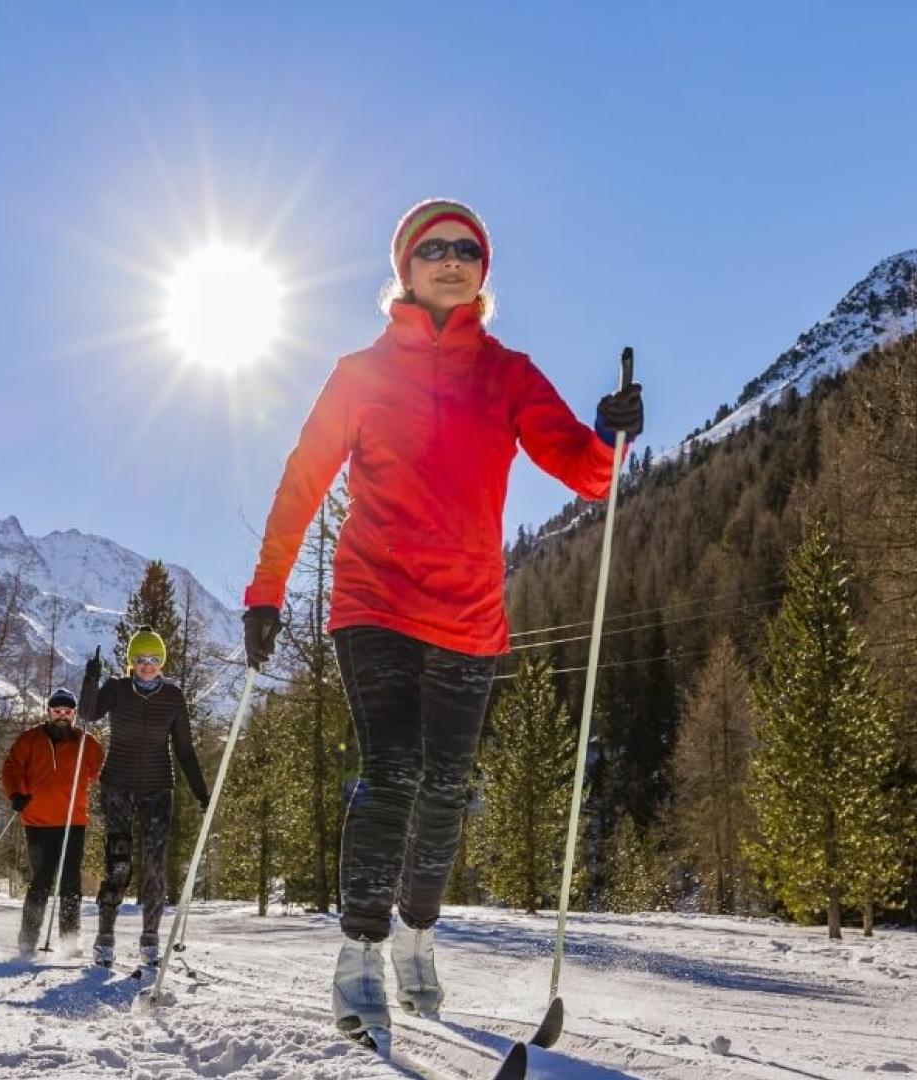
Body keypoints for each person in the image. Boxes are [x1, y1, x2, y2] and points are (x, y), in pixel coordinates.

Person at [240, 198, 642, 1051]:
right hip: (375, 601)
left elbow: (585, 471)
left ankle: (418, 931)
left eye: (467, 250)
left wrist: (610, 437)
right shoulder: (359, 373)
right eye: (434, 249)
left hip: (468, 616)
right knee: (393, 769)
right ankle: (358, 955)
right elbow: (303, 479)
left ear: (482, 272)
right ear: (405, 267)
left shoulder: (507, 373)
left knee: (448, 791)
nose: (452, 260)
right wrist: (266, 590)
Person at [79, 630, 210, 971]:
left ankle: (150, 939)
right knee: (119, 864)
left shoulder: (173, 697)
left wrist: (201, 792)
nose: (147, 666)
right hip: (117, 785)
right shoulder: (118, 689)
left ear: (161, 662)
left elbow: (184, 750)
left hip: (157, 788)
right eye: (141, 660)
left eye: (154, 660)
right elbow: (89, 713)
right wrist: (91, 679)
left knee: (154, 865)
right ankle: (105, 938)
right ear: (132, 663)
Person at [0, 686, 104, 959]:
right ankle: (28, 940)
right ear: (48, 713)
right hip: (37, 822)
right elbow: (10, 768)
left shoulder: (86, 743)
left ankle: (70, 939)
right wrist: (16, 795)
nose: (62, 717)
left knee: (70, 881)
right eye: (57, 711)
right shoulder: (30, 740)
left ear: (74, 715)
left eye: (67, 712)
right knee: (41, 881)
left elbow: (101, 770)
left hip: (73, 822)